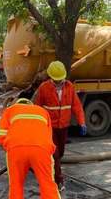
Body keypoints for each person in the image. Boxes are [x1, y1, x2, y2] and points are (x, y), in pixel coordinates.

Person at [0, 98, 71, 199]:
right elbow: (48, 138)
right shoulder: (42, 111)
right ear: (31, 105)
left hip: (16, 150)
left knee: (16, 188)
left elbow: (1, 137)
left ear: (18, 104)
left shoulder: (10, 111)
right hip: (41, 150)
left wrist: (15, 151)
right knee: (48, 188)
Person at [35, 61, 86, 191]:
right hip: (49, 127)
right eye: (56, 80)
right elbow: (37, 108)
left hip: (63, 127)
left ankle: (51, 168)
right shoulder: (44, 88)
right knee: (55, 154)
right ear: (51, 77)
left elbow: (77, 106)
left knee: (60, 153)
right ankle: (58, 180)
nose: (58, 82)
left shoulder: (69, 87)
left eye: (60, 79)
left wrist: (82, 122)